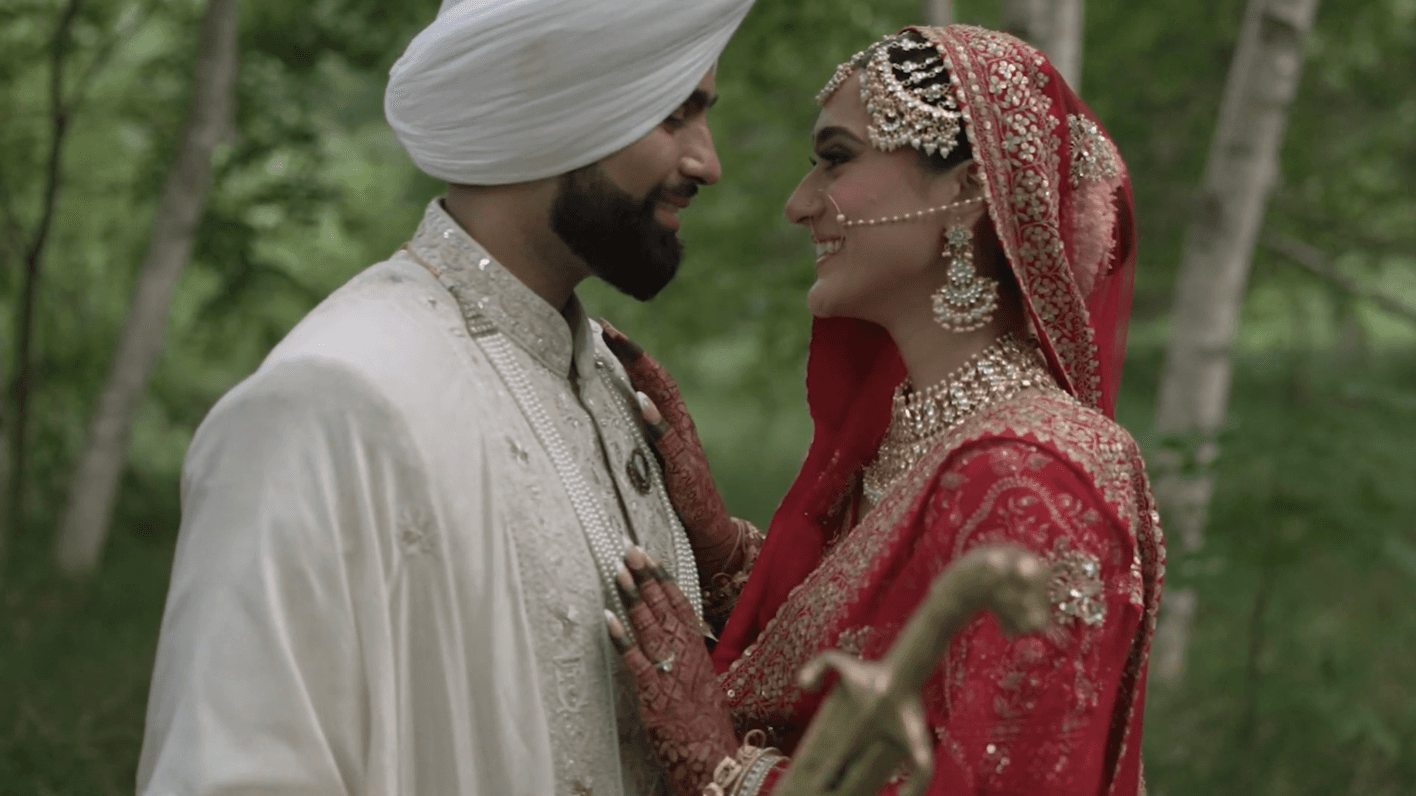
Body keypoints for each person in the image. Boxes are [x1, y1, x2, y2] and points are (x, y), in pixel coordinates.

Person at [134, 1, 757, 794]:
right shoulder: (331, 400)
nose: (707, 164)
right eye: (674, 115)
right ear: (552, 107)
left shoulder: (607, 379)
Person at [601, 24, 1165, 796]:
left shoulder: (1035, 476)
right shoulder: (913, 433)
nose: (799, 206)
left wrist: (726, 774)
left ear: (967, 192)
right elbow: (866, 661)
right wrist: (722, 552)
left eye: (836, 159)